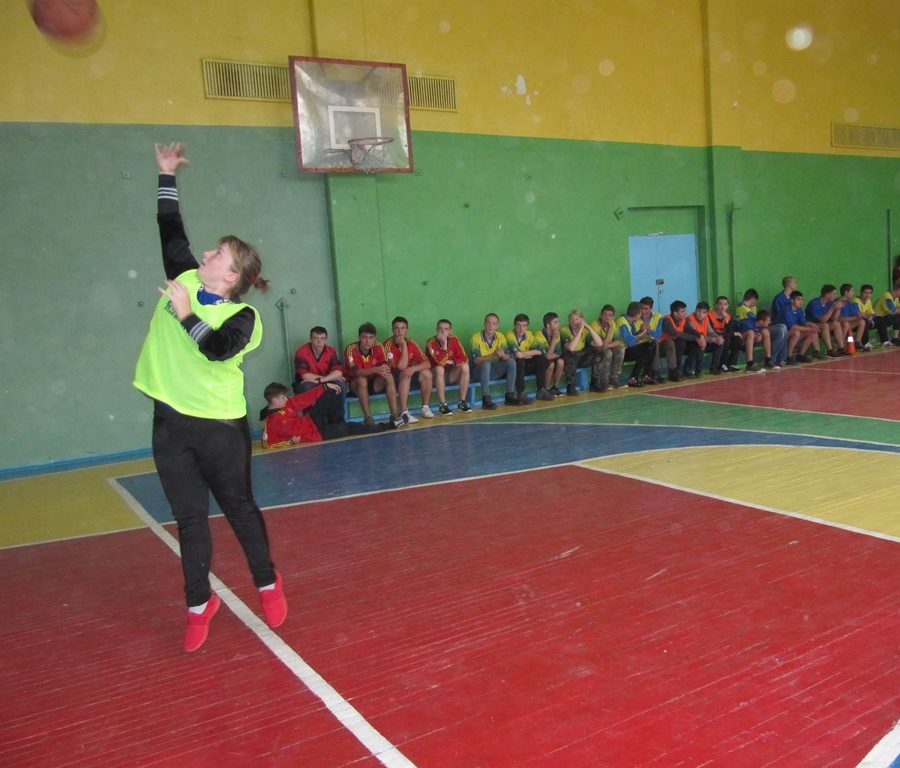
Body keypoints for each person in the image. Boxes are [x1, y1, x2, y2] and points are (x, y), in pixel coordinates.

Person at [134, 142, 286, 652]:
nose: (205, 255)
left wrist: (185, 314)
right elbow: (170, 229)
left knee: (239, 508)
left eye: (217, 255)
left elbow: (218, 350)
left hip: (220, 427)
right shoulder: (183, 277)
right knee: (189, 519)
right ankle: (199, 604)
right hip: (170, 423)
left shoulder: (244, 317)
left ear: (233, 276)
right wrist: (166, 175)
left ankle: (266, 580)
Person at [260, 381, 379, 447]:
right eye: (282, 397)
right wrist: (290, 442)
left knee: (331, 390)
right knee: (350, 428)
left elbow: (304, 398)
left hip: (312, 420)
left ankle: (336, 421)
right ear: (275, 400)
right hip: (316, 434)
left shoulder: (286, 404)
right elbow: (267, 444)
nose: (286, 398)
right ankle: (384, 426)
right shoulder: (271, 423)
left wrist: (324, 386)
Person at [344, 322, 404, 427]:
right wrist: (375, 369)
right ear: (359, 337)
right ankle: (368, 418)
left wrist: (383, 368)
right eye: (364, 337)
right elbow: (357, 372)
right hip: (356, 385)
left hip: (374, 383)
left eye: (371, 338)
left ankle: (394, 415)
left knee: (388, 376)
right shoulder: (351, 349)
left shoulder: (378, 346)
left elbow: (386, 366)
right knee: (362, 380)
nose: (368, 341)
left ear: (374, 338)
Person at [383, 316, 435, 422]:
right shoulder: (387, 345)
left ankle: (425, 407)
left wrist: (414, 368)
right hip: (392, 379)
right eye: (396, 328)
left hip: (407, 374)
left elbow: (428, 363)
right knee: (405, 373)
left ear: (407, 329)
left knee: (426, 373)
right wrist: (404, 345)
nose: (400, 331)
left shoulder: (411, 342)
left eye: (402, 328)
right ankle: (404, 412)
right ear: (392, 330)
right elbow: (401, 367)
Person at [470, 313, 518, 409]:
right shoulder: (475, 338)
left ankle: (510, 395)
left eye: (494, 323)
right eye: (488, 323)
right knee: (486, 364)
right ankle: (486, 398)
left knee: (511, 362)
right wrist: (493, 355)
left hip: (492, 371)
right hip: (477, 373)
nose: (490, 326)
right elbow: (475, 361)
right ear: (484, 324)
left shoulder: (500, 336)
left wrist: (503, 355)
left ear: (497, 325)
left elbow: (508, 355)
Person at [425, 319, 472, 414]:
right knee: (439, 369)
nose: (443, 331)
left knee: (465, 366)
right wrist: (445, 344)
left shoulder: (454, 339)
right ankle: (443, 405)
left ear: (450, 331)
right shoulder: (430, 342)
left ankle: (462, 402)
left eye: (446, 329)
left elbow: (464, 358)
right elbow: (441, 362)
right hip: (434, 377)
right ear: (436, 330)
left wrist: (452, 362)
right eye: (440, 328)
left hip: (450, 376)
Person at [560, 309, 605, 395]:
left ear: (581, 320)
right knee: (569, 354)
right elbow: (571, 348)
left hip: (582, 358)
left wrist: (588, 327)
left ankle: (594, 383)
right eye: (571, 319)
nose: (574, 322)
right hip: (570, 360)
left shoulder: (585, 331)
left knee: (599, 351)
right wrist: (580, 330)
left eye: (577, 319)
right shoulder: (564, 330)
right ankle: (570, 385)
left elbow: (599, 343)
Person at [293, 326, 347, 395]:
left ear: (326, 339)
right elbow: (305, 376)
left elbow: (339, 372)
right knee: (306, 386)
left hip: (324, 380)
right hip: (307, 382)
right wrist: (327, 379)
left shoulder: (330, 351)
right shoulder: (301, 352)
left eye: (322, 338)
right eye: (316, 338)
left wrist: (321, 381)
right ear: (311, 340)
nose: (319, 341)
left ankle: (337, 403)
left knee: (341, 383)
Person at [615, 302, 656, 387]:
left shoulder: (631, 322)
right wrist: (642, 333)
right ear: (637, 314)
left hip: (627, 349)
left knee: (652, 344)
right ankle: (633, 378)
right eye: (640, 314)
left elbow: (633, 335)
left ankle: (646, 375)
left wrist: (641, 331)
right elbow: (630, 342)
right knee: (646, 349)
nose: (640, 316)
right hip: (621, 351)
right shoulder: (622, 322)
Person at [735, 289, 776, 371]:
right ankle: (750, 363)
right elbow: (756, 318)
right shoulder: (743, 311)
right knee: (751, 333)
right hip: (740, 338)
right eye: (755, 301)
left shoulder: (751, 309)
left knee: (765, 331)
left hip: (751, 333)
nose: (755, 303)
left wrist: (758, 334)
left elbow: (757, 321)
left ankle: (768, 359)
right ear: (752, 299)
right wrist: (756, 334)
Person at [505, 313, 542, 405]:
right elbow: (517, 355)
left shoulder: (529, 334)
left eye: (524, 325)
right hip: (510, 367)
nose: (521, 328)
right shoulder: (509, 335)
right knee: (519, 360)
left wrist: (523, 354)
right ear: (514, 325)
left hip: (523, 364)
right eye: (519, 325)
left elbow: (539, 351)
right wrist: (527, 354)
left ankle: (541, 390)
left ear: (527, 327)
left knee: (541, 359)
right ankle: (520, 393)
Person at [683, 301, 724, 377]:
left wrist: (717, 337)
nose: (700, 314)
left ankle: (714, 368)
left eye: (703, 312)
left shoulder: (706, 319)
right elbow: (696, 336)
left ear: (707, 313)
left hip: (704, 341)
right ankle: (693, 370)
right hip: (692, 343)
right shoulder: (690, 319)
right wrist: (713, 339)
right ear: (695, 310)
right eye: (698, 311)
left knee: (720, 343)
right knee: (699, 344)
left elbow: (710, 331)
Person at [805, 284, 846, 357]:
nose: (835, 296)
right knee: (825, 325)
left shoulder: (830, 303)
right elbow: (822, 320)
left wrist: (838, 308)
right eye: (833, 294)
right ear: (827, 295)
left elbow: (834, 319)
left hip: (821, 323)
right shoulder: (814, 303)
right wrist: (832, 309)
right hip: (810, 324)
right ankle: (830, 350)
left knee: (836, 323)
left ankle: (841, 348)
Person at [590, 305, 626, 389]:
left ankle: (614, 378)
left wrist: (607, 346)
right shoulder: (595, 325)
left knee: (621, 349)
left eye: (610, 315)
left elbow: (618, 341)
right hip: (594, 351)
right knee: (608, 353)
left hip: (605, 347)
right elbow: (601, 346)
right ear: (600, 315)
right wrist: (610, 329)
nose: (607, 317)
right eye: (605, 315)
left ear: (613, 317)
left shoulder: (613, 324)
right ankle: (604, 381)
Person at [532, 312, 565, 399]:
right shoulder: (539, 336)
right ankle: (546, 388)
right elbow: (547, 357)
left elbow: (558, 353)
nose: (558, 324)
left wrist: (553, 354)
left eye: (558, 322)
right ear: (548, 325)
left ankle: (555, 387)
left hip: (549, 357)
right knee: (551, 364)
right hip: (537, 362)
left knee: (561, 362)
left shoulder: (556, 334)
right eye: (555, 322)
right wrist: (553, 340)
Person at [782, 290, 820, 363]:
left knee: (813, 333)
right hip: (782, 335)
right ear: (792, 301)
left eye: (802, 299)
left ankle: (800, 355)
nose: (801, 301)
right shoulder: (786, 310)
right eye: (798, 299)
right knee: (796, 332)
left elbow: (804, 322)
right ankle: (788, 357)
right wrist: (810, 328)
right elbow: (793, 327)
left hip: (792, 334)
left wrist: (812, 325)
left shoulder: (799, 310)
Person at [659, 300, 693, 381]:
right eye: (682, 311)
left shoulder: (683, 320)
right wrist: (696, 338)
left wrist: (700, 336)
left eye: (685, 311)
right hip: (661, 346)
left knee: (692, 344)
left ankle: (684, 370)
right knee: (677, 342)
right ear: (675, 313)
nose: (685, 313)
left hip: (672, 345)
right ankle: (674, 372)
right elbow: (676, 334)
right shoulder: (667, 320)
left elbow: (691, 330)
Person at [708, 296, 743, 372]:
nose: (722, 306)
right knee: (726, 339)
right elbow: (712, 332)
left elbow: (730, 331)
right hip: (714, 337)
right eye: (720, 304)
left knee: (738, 339)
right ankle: (722, 364)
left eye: (725, 304)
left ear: (728, 306)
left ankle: (732, 364)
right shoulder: (709, 315)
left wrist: (725, 320)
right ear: (716, 305)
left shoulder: (728, 316)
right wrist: (732, 334)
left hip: (725, 336)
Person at [638, 297, 665, 383]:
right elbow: (632, 336)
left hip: (653, 342)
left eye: (646, 309)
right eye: (641, 308)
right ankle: (654, 373)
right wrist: (640, 331)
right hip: (640, 344)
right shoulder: (636, 317)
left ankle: (674, 371)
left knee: (669, 343)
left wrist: (649, 331)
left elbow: (658, 335)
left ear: (651, 309)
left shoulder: (658, 317)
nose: (643, 311)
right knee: (653, 344)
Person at [837, 284, 867, 352]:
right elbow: (839, 319)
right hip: (839, 326)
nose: (853, 293)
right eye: (852, 291)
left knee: (861, 321)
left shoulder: (849, 303)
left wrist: (863, 315)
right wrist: (854, 318)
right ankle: (841, 345)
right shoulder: (838, 302)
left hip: (847, 325)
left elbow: (856, 313)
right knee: (846, 323)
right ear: (846, 292)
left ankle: (857, 343)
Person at [873, 280, 900, 346]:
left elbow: (897, 308)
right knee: (881, 320)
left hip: (884, 317)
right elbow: (892, 311)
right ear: (898, 290)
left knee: (898, 316)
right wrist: (896, 310)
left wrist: (897, 309)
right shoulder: (887, 296)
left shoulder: (895, 298)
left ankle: (894, 338)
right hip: (875, 319)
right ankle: (885, 341)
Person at [853, 284, 875, 350]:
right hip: (855, 323)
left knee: (880, 320)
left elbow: (872, 313)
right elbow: (860, 314)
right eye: (866, 293)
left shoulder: (868, 301)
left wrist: (871, 318)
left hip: (866, 321)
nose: (868, 295)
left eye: (870, 293)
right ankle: (865, 343)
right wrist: (868, 316)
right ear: (861, 292)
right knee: (865, 321)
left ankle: (886, 341)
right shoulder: (856, 300)